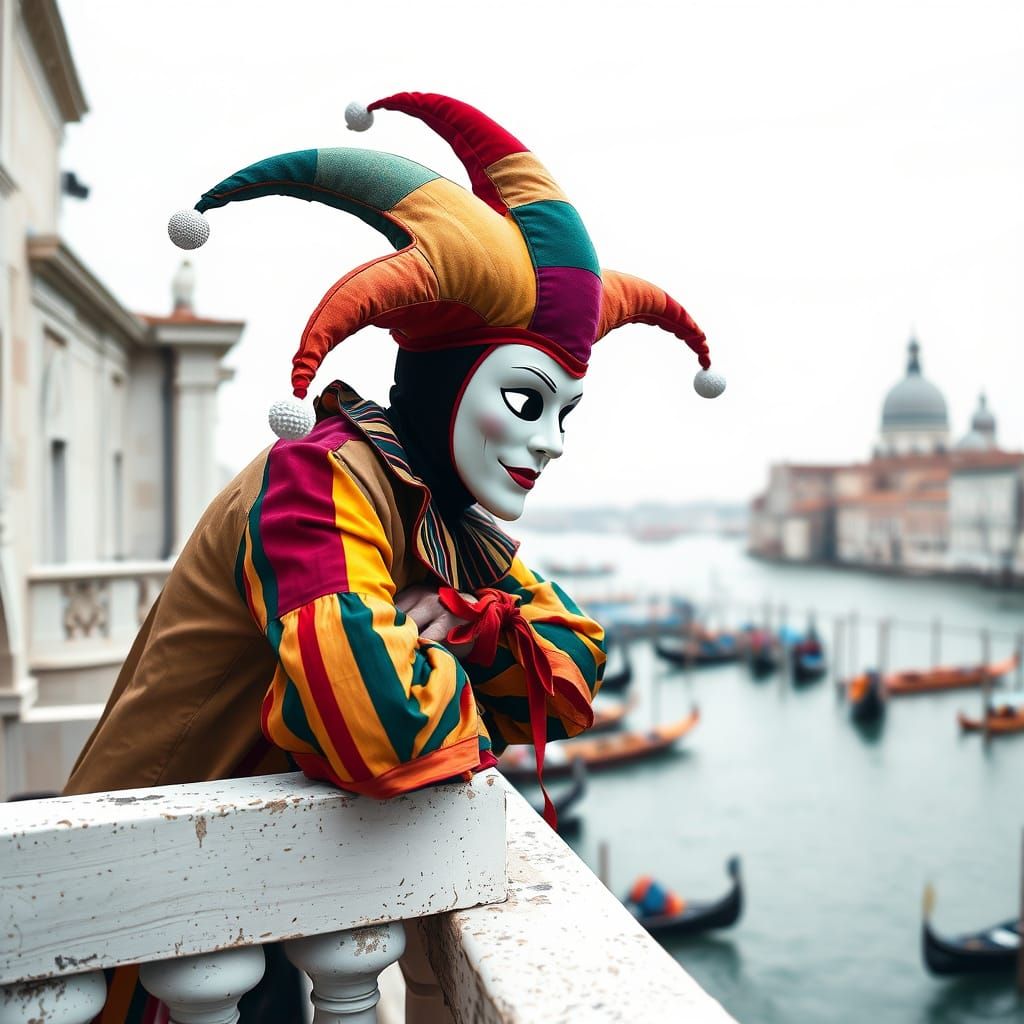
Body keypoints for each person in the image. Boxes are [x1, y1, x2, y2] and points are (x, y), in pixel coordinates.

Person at [63, 91, 723, 1021]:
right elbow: (381, 730)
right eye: (528, 401)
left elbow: (575, 673)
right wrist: (471, 670)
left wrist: (462, 626)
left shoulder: (440, 514)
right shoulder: (319, 479)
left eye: (568, 413)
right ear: (452, 383)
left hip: (255, 912)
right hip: (136, 936)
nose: (552, 444)